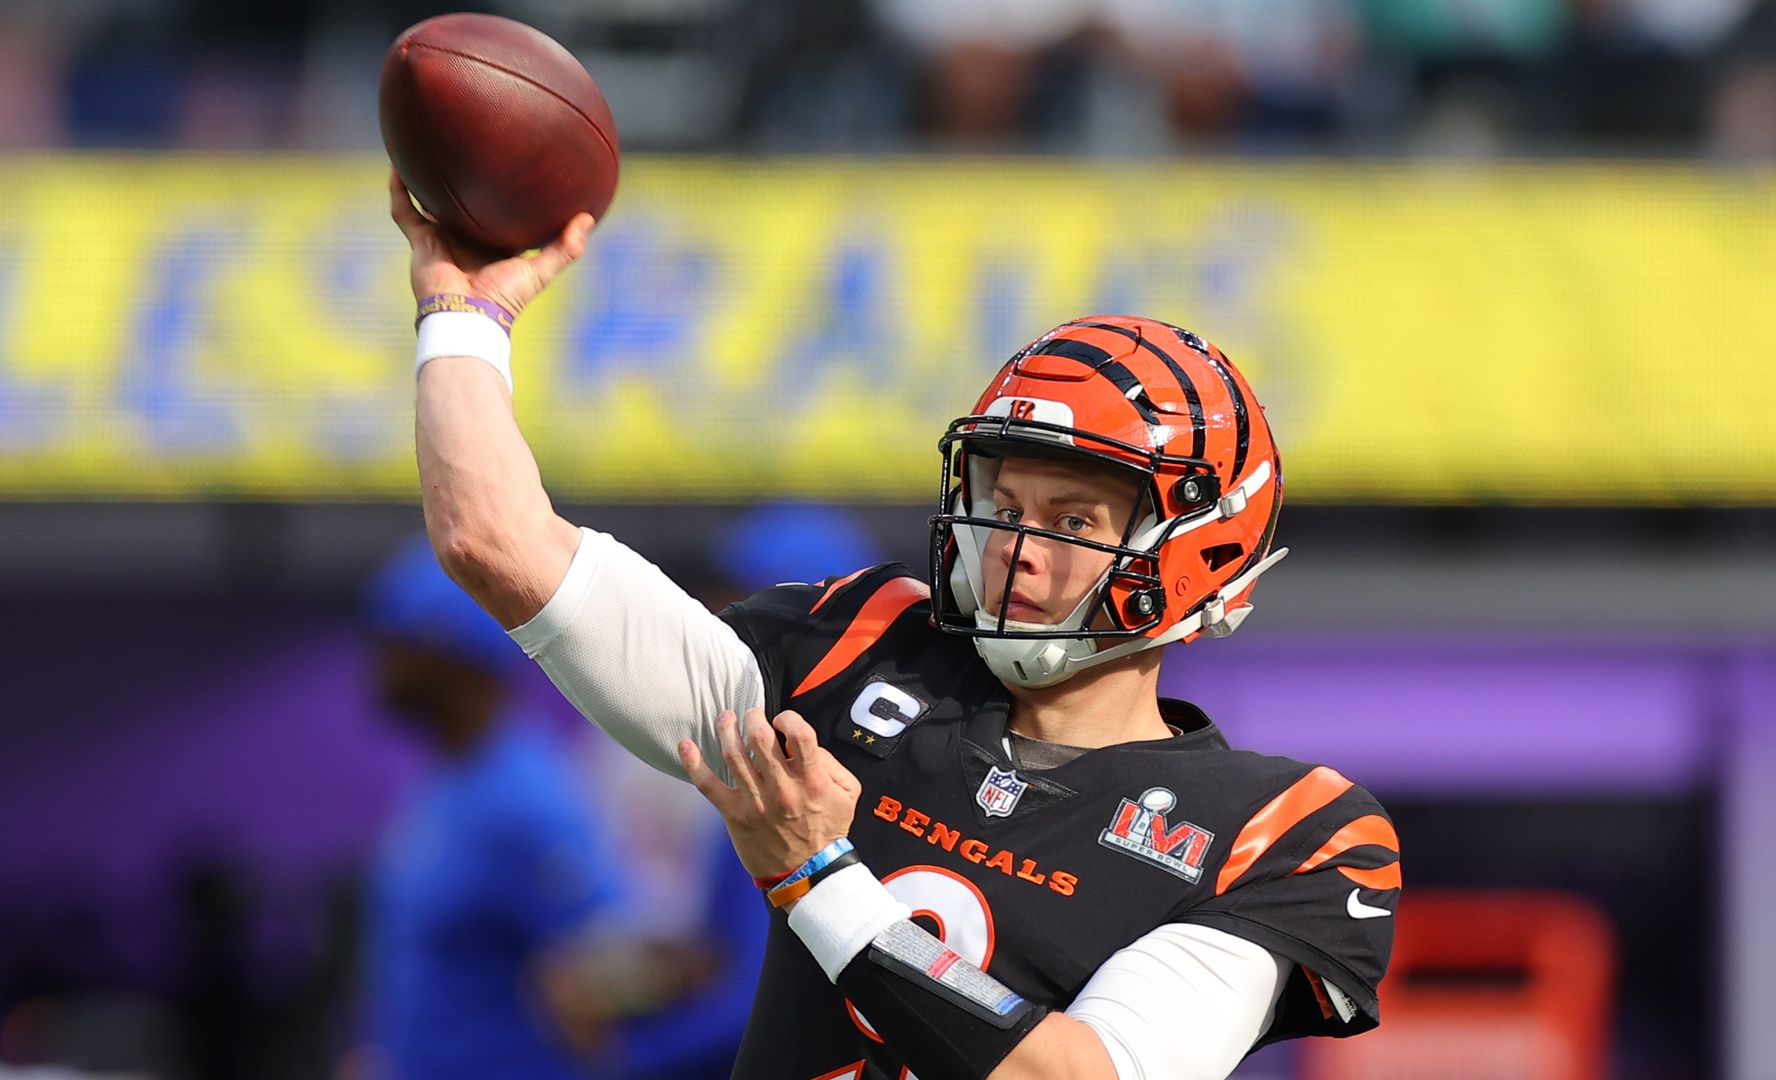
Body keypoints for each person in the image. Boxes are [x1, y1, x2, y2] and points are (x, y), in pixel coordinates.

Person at [392, 173, 1398, 1079]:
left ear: (1202, 554)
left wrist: (820, 876)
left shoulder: (1285, 833)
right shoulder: (852, 647)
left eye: (1074, 519)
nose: (1017, 547)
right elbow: (497, 542)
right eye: (1003, 505)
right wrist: (462, 315)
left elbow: (1083, 1079)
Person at [355, 536, 709, 1080]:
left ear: (448, 651)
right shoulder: (451, 780)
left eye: (394, 641)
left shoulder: (525, 798)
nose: (377, 661)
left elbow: (608, 956)